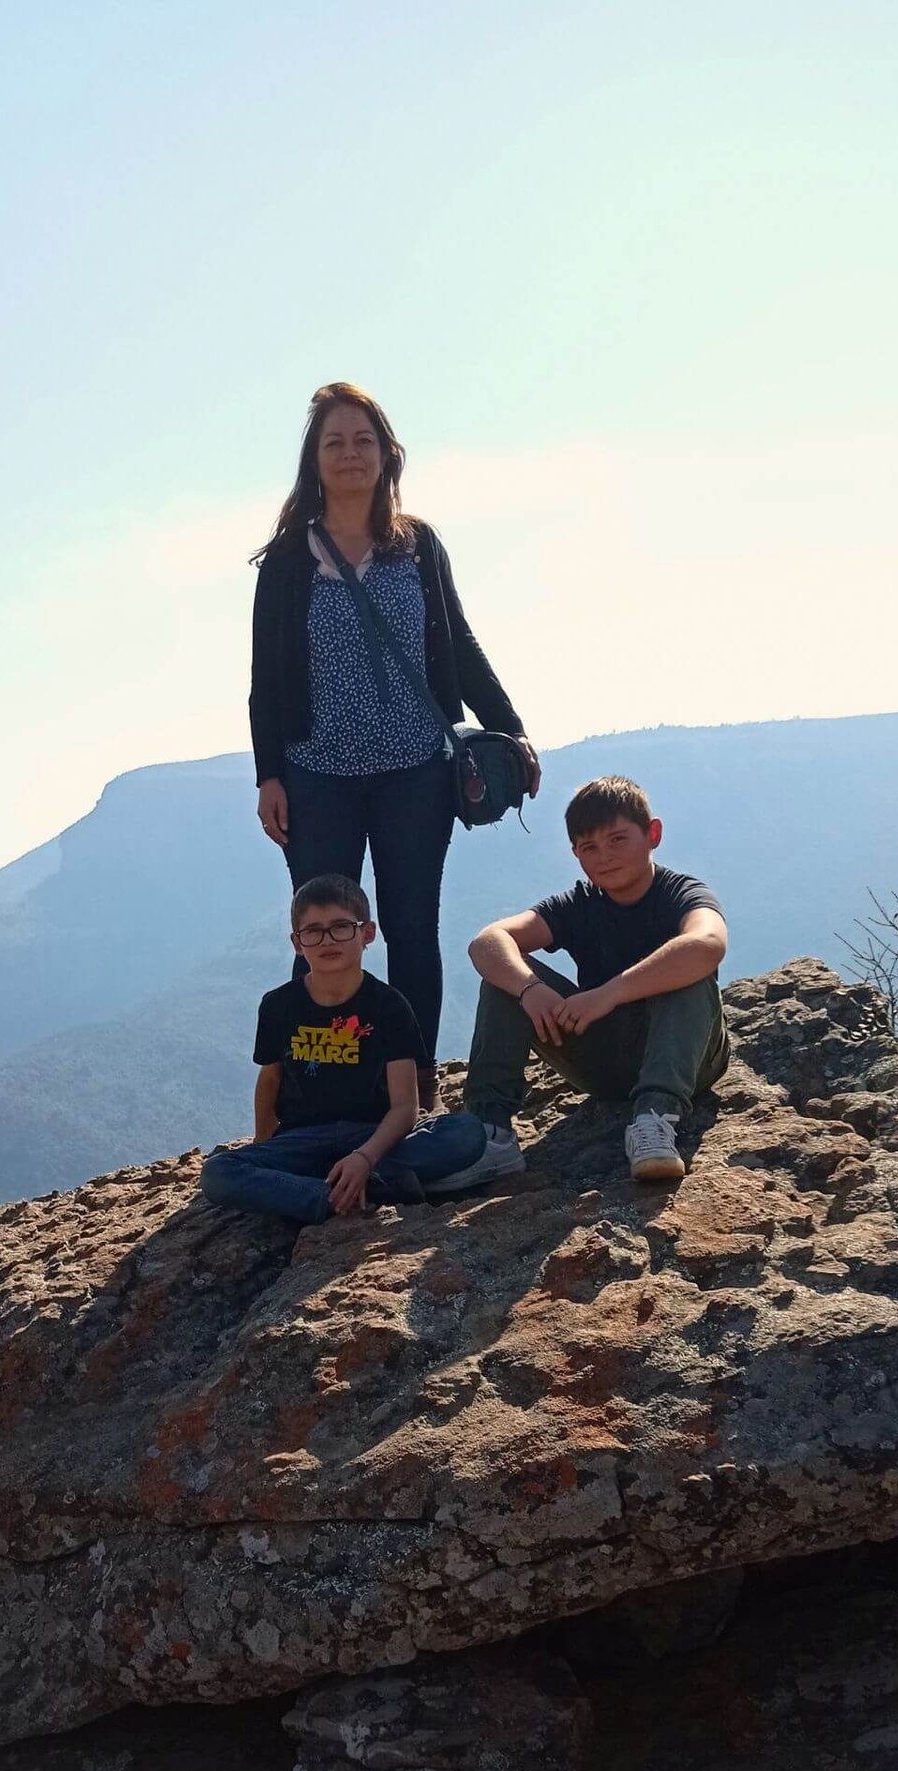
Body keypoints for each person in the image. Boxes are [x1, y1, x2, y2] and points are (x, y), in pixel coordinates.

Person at [249, 380, 539, 1109]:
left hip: (416, 769)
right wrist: (268, 776)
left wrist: (510, 726)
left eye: (363, 441)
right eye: (334, 442)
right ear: (314, 461)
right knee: (323, 937)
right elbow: (263, 680)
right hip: (317, 774)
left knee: (411, 930)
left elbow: (460, 647)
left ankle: (414, 1088)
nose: (349, 454)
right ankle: (317, 1091)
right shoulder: (287, 562)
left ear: (387, 455)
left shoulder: (419, 546)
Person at [435, 775, 729, 1190]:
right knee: (505, 978)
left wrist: (609, 994)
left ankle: (655, 1120)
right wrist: (530, 989)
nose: (605, 857)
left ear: (653, 834)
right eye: (589, 847)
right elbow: (487, 943)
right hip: (606, 1064)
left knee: (686, 970)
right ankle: (490, 1134)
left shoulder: (679, 892)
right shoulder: (577, 905)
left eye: (617, 840)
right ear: (576, 854)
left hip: (690, 1059)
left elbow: (708, 943)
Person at [200, 874, 485, 1225]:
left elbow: (405, 1106)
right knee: (218, 1172)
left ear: (367, 933)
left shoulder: (390, 1006)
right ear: (296, 943)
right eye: (313, 931)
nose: (327, 940)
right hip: (301, 1139)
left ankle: (329, 1186)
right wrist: (263, 1145)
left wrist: (364, 1158)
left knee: (467, 1134)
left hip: (371, 1135)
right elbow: (270, 1078)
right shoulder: (278, 1006)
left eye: (341, 927)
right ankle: (340, 1194)